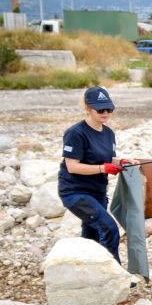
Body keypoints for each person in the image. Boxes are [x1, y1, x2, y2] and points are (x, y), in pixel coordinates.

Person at [58, 87, 134, 263]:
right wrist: (103, 169)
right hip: (75, 192)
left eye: (109, 109)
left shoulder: (109, 133)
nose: (105, 113)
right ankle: (115, 272)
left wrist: (122, 161)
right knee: (109, 228)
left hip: (98, 192)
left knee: (91, 233)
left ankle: (88, 270)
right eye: (100, 109)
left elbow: (108, 158)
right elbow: (72, 166)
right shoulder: (76, 133)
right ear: (87, 108)